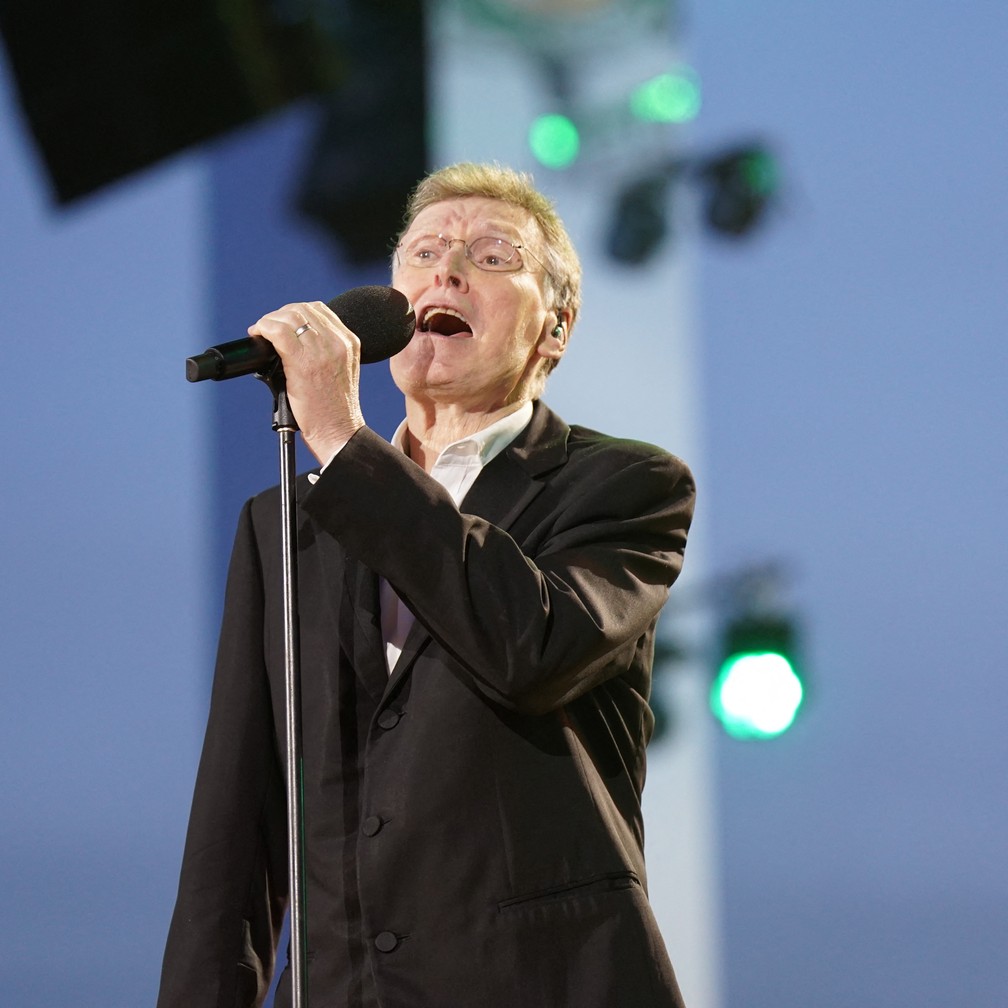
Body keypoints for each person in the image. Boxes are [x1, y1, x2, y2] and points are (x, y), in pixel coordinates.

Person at [157, 162, 695, 1008]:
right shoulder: (281, 524)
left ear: (554, 328)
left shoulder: (625, 487)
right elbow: (237, 825)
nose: (445, 270)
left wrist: (340, 437)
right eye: (424, 251)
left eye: (490, 257)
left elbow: (533, 647)